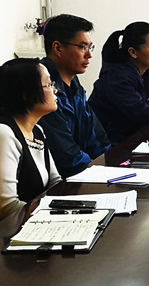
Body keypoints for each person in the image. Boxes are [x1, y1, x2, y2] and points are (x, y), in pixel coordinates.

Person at [0, 58, 61, 227]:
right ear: (26, 94)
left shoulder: (37, 130)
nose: (55, 90)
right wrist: (56, 216)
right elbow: (5, 208)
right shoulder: (0, 134)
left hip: (31, 225)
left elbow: (55, 182)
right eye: (48, 85)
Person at [39, 13, 111, 177]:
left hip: (84, 173)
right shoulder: (43, 89)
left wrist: (110, 163)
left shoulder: (75, 85)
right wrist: (99, 172)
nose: (89, 55)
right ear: (58, 48)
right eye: (82, 47)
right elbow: (67, 156)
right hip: (62, 180)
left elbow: (97, 138)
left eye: (90, 47)